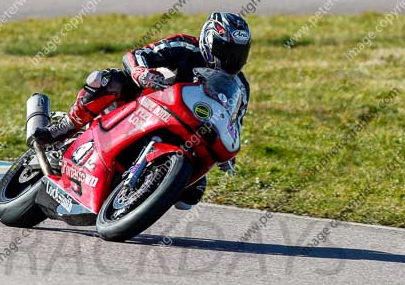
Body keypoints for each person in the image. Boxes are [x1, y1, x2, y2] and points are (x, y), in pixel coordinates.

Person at [33, 11, 252, 209]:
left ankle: (139, 195)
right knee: (107, 81)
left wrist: (228, 157)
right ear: (209, 40)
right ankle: (65, 127)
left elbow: (234, 124)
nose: (231, 58)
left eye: (239, 53)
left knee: (191, 194)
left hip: (188, 135)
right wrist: (140, 72)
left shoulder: (240, 87)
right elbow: (136, 55)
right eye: (226, 50)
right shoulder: (185, 46)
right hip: (148, 104)